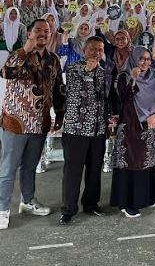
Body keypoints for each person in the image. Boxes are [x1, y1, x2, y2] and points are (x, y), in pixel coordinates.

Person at [0, 19, 65, 230]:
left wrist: (60, 113)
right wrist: (27, 47)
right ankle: (2, 210)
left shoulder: (53, 59)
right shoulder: (19, 56)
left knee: (30, 167)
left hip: (40, 123)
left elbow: (58, 88)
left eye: (47, 31)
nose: (43, 34)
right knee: (8, 169)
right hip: (15, 123)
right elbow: (6, 72)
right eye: (38, 31)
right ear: (29, 34)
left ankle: (28, 201)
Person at [110, 47, 155, 218]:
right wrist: (133, 79)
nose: (145, 62)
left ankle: (147, 197)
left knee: (149, 162)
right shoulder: (124, 76)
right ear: (134, 59)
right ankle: (127, 203)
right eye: (141, 58)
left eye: (148, 59)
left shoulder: (154, 76)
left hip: (151, 126)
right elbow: (123, 97)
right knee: (131, 163)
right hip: (131, 128)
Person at [59, 37, 108, 225]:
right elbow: (74, 90)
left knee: (94, 169)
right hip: (76, 130)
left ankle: (91, 203)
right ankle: (69, 209)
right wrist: (87, 72)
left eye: (100, 50)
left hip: (97, 130)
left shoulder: (103, 71)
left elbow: (102, 98)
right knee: (73, 171)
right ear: (84, 51)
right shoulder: (73, 68)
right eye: (93, 49)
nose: (96, 53)